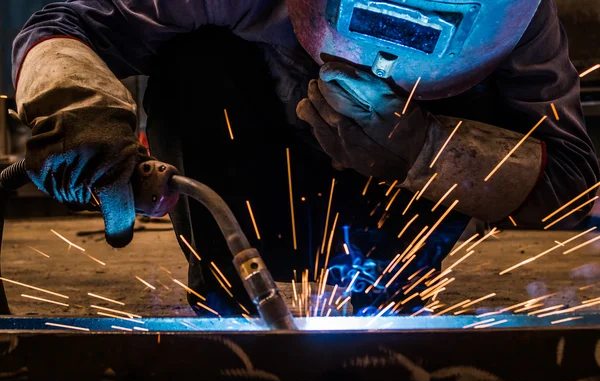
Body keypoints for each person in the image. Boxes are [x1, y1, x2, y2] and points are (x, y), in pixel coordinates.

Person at [9, 0, 598, 316]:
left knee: (504, 132)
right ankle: (222, 294)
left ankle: (393, 290)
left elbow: (574, 180)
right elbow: (65, 24)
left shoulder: (519, 19)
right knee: (194, 57)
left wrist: (424, 147)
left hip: (396, 229)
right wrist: (77, 104)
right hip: (241, 197)